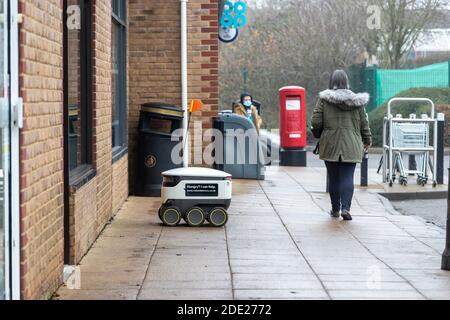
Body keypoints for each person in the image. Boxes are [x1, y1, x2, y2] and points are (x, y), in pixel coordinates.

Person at [311, 70, 372, 221]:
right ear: (346, 82)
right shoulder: (357, 102)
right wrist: (367, 139)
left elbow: (316, 121)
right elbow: (364, 123)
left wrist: (319, 134)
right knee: (347, 177)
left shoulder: (324, 100)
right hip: (351, 144)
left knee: (333, 178)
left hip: (330, 143)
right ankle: (346, 207)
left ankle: (335, 209)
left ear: (332, 82)